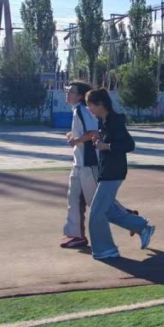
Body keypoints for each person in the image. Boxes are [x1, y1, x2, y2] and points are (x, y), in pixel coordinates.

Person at [83, 89, 154, 260]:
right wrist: (100, 143)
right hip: (106, 170)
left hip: (114, 171)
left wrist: (106, 146)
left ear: (101, 104)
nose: (88, 109)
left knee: (97, 212)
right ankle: (142, 227)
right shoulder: (102, 121)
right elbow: (108, 143)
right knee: (107, 210)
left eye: (90, 105)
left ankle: (106, 249)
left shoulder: (115, 120)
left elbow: (129, 144)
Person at [61, 81, 98, 249]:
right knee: (73, 200)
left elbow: (93, 133)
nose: (67, 93)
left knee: (97, 203)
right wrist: (74, 135)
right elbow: (85, 132)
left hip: (88, 164)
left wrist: (76, 140)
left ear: (80, 96)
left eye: (71, 91)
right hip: (78, 163)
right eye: (67, 90)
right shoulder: (77, 110)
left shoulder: (83, 110)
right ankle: (76, 236)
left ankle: (137, 223)